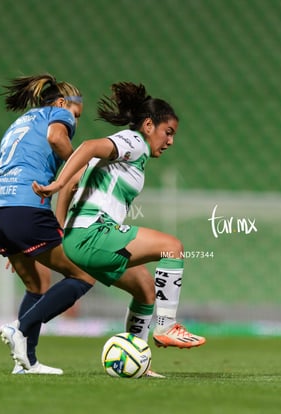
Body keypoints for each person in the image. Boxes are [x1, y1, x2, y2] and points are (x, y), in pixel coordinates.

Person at [32, 82, 206, 367]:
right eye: (168, 132)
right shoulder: (134, 142)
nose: (171, 141)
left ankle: (134, 362)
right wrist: (58, 183)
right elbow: (87, 147)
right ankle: (166, 326)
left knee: (145, 289)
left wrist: (61, 228)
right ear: (149, 125)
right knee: (172, 247)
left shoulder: (127, 154)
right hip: (94, 234)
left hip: (79, 239)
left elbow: (75, 183)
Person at [0, 73, 95, 374]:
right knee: (84, 275)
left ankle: (26, 363)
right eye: (76, 114)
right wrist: (79, 166)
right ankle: (20, 328)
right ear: (62, 103)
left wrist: (16, 235)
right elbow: (56, 138)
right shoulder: (57, 115)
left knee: (37, 283)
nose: (74, 122)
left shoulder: (19, 124)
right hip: (25, 207)